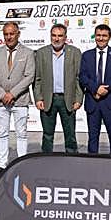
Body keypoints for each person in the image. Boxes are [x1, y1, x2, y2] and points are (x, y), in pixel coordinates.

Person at [0, 22, 36, 179]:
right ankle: (2, 166)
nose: (8, 37)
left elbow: (29, 76)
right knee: (2, 134)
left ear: (18, 34)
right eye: (6, 34)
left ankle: (21, 164)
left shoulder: (28, 53)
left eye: (11, 34)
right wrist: (3, 95)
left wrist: (13, 93)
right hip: (1, 101)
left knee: (21, 134)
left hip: (20, 100)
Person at [33, 24, 82, 154]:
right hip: (48, 99)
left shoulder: (75, 52)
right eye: (54, 35)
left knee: (70, 134)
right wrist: (38, 98)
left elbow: (78, 78)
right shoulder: (42, 53)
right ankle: (46, 159)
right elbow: (37, 78)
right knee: (47, 134)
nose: (56, 39)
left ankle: (72, 159)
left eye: (60, 36)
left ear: (65, 37)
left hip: (68, 99)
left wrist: (78, 99)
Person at [79, 24, 111, 154]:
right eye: (98, 35)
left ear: (109, 37)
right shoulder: (86, 55)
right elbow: (83, 76)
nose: (101, 38)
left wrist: (106, 88)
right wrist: (96, 89)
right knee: (93, 138)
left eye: (104, 36)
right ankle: (92, 164)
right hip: (93, 101)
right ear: (95, 36)